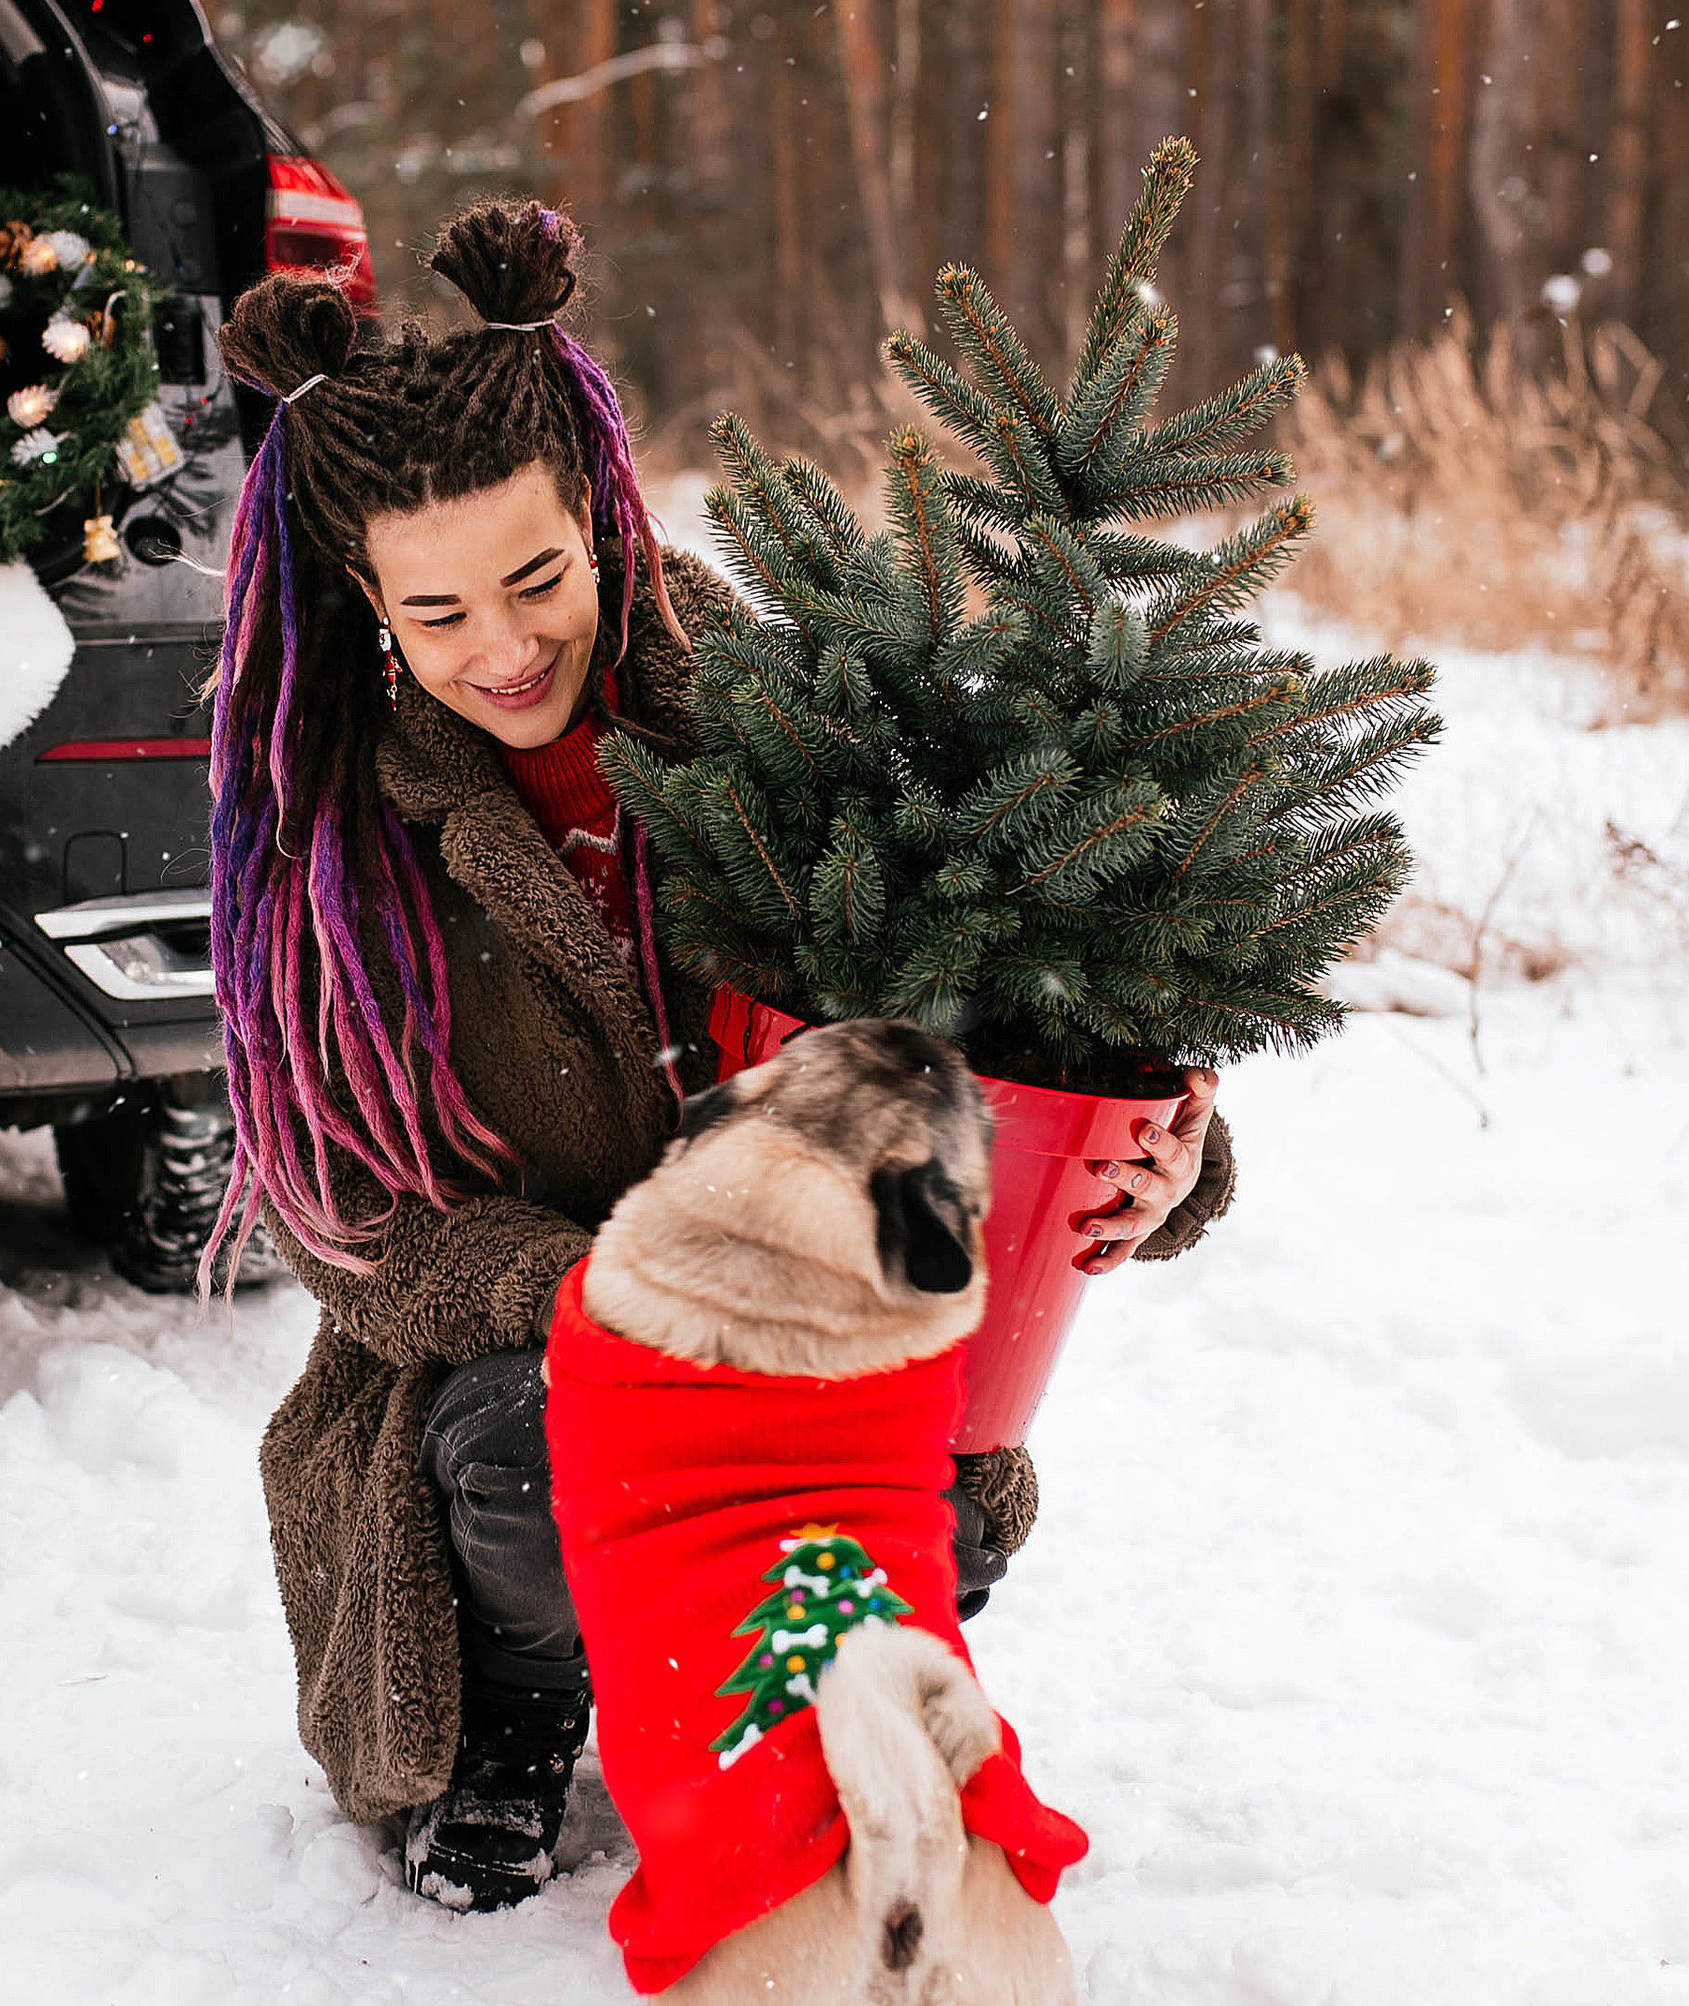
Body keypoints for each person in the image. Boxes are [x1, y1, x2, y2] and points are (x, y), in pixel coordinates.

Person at [207, 200, 1232, 1911]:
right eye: (439, 612)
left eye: (537, 579)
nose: (505, 647)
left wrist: (1168, 1163)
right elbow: (357, 1230)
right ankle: (524, 1706)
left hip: (822, 1322)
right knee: (539, 1452)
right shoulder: (341, 844)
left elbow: (1032, 1011)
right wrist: (638, 1301)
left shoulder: (789, 725)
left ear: (606, 521)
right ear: (374, 604)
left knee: (940, 1493)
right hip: (526, 1355)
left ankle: (772, 1700)